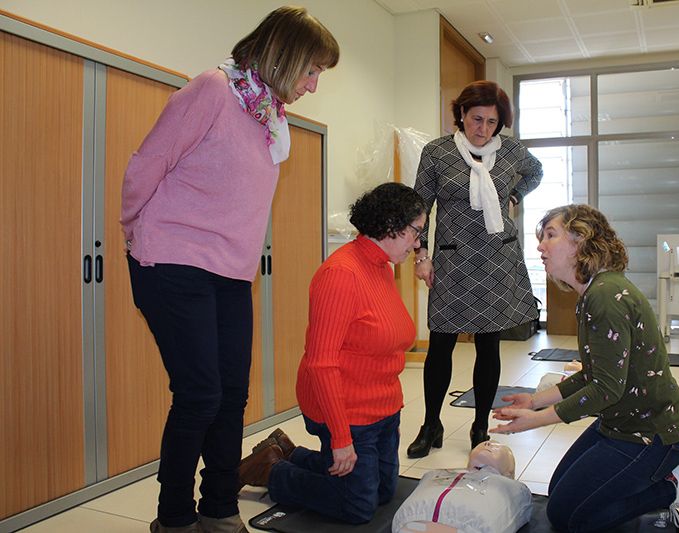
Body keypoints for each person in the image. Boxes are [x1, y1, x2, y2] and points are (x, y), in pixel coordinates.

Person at [120, 7, 339, 533]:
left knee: (231, 395)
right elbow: (146, 165)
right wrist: (135, 231)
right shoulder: (213, 90)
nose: (312, 85)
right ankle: (173, 517)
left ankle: (218, 507)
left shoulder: (267, 115)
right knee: (199, 394)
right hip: (172, 260)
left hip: (230, 272)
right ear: (284, 56)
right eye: (311, 71)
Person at [491, 204, 679, 533]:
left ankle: (668, 488)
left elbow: (605, 390)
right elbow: (592, 374)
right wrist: (535, 401)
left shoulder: (605, 296)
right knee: (559, 497)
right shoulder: (594, 292)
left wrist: (535, 420)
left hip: (652, 435)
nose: (540, 246)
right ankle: (654, 479)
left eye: (551, 235)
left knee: (570, 517)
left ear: (580, 240)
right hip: (622, 423)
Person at [237, 182, 427, 524]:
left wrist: (391, 413)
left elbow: (383, 344)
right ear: (391, 226)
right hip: (345, 410)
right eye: (416, 232)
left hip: (381, 408)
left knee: (384, 492)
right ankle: (272, 469)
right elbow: (321, 364)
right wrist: (340, 437)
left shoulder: (382, 266)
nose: (418, 244)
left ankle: (291, 452)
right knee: (357, 507)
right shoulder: (341, 274)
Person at [408, 80, 543, 458]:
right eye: (475, 118)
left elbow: (535, 172)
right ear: (461, 116)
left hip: (497, 260)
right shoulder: (437, 152)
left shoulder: (512, 152)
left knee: (489, 346)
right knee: (440, 345)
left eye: (490, 122)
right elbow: (421, 206)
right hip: (452, 260)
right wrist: (420, 254)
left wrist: (515, 193)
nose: (482, 129)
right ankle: (431, 424)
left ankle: (480, 423)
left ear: (500, 125)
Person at [392, 441, 533, 533]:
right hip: (411, 520)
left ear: (509, 473)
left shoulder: (510, 490)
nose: (489, 444)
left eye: (496, 447)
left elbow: (519, 507)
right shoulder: (437, 475)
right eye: (485, 443)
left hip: (469, 526)